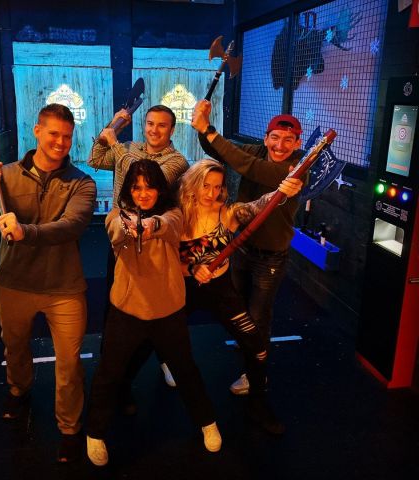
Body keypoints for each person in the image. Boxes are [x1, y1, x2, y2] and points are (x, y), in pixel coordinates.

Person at [0, 104, 97, 463]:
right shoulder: (4, 176)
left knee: (69, 365)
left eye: (67, 136)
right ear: (37, 131)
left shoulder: (82, 182)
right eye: (54, 133)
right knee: (15, 349)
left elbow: (71, 226)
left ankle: (69, 428)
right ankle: (18, 390)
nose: (60, 142)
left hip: (64, 288)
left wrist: (25, 231)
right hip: (14, 284)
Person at [86, 160, 221, 466]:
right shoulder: (116, 215)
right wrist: (130, 226)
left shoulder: (173, 214)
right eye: (136, 187)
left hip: (168, 310)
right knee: (109, 372)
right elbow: (115, 230)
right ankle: (94, 433)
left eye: (149, 187)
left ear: (160, 189)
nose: (143, 193)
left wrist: (150, 226)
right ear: (128, 190)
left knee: (186, 370)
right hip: (127, 310)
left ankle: (208, 422)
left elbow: (169, 225)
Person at [191, 100, 305, 399]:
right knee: (238, 308)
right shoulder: (255, 151)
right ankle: (249, 351)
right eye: (275, 138)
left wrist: (209, 129)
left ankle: (256, 374)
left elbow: (251, 168)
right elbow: (220, 151)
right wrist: (202, 127)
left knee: (258, 315)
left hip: (270, 256)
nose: (280, 145)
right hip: (242, 247)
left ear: (298, 143)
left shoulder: (297, 168)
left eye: (288, 140)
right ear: (266, 138)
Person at [178, 159, 302, 434]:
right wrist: (192, 268)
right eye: (206, 186)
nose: (212, 193)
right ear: (193, 185)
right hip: (184, 291)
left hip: (222, 291)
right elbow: (166, 260)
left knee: (257, 346)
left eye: (218, 187)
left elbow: (260, 206)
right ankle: (123, 388)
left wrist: (281, 191)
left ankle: (258, 404)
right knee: (154, 340)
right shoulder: (177, 215)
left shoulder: (228, 213)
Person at [88, 105, 189, 401]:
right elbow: (95, 158)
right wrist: (114, 126)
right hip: (123, 238)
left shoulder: (176, 160)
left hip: (156, 240)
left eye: (162, 125)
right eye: (150, 123)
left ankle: (163, 356)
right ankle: (113, 365)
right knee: (117, 303)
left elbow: (144, 175)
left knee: (157, 307)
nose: (154, 130)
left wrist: (116, 143)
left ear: (172, 130)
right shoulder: (130, 147)